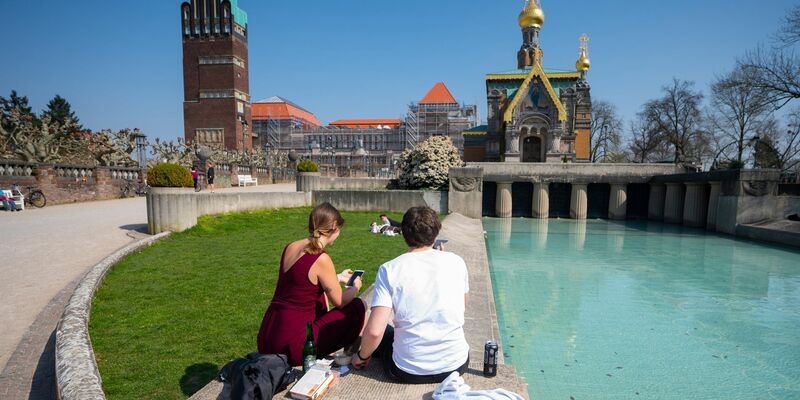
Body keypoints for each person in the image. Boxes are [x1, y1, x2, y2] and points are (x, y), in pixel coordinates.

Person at [352, 206, 470, 384]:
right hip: (456, 364)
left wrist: (361, 356)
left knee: (378, 328)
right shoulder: (456, 262)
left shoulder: (390, 269)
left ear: (405, 234)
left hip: (407, 370)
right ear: (435, 234)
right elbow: (462, 304)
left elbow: (375, 332)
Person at [257, 202, 366, 367]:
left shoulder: (290, 247)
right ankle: (349, 357)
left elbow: (300, 283)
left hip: (268, 338)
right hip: (295, 346)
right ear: (334, 227)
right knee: (359, 305)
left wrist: (336, 277)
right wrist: (356, 286)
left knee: (322, 302)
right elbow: (340, 301)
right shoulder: (321, 258)